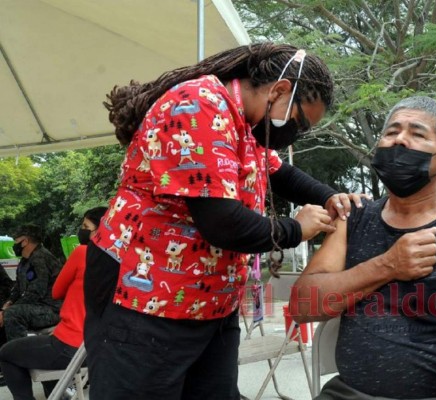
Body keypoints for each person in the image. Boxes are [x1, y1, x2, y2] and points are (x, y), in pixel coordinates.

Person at [83, 42, 362, 400]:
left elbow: (281, 174)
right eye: (300, 123)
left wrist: (328, 196)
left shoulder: (245, 123)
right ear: (280, 90)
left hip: (210, 303)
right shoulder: (198, 104)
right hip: (145, 295)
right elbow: (222, 222)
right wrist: (296, 228)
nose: (297, 134)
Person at [290, 96, 436, 400]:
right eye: (391, 132)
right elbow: (302, 306)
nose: (399, 141)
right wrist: (388, 265)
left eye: (417, 134)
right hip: (346, 393)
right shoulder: (354, 218)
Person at [0, 207, 107, 399]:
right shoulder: (122, 260)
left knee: (7, 351)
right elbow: (18, 288)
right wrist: (9, 302)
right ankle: (56, 392)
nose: (81, 230)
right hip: (97, 347)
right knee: (14, 318)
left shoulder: (81, 252)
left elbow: (54, 292)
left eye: (85, 226)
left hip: (68, 339)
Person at [0, 224, 62, 345]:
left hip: (50, 310)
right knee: (6, 312)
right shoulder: (25, 260)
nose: (14, 245)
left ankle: (18, 355)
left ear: (25, 241)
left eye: (16, 241)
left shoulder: (41, 258)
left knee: (12, 314)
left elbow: (35, 292)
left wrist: (8, 310)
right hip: (37, 307)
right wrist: (8, 303)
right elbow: (17, 287)